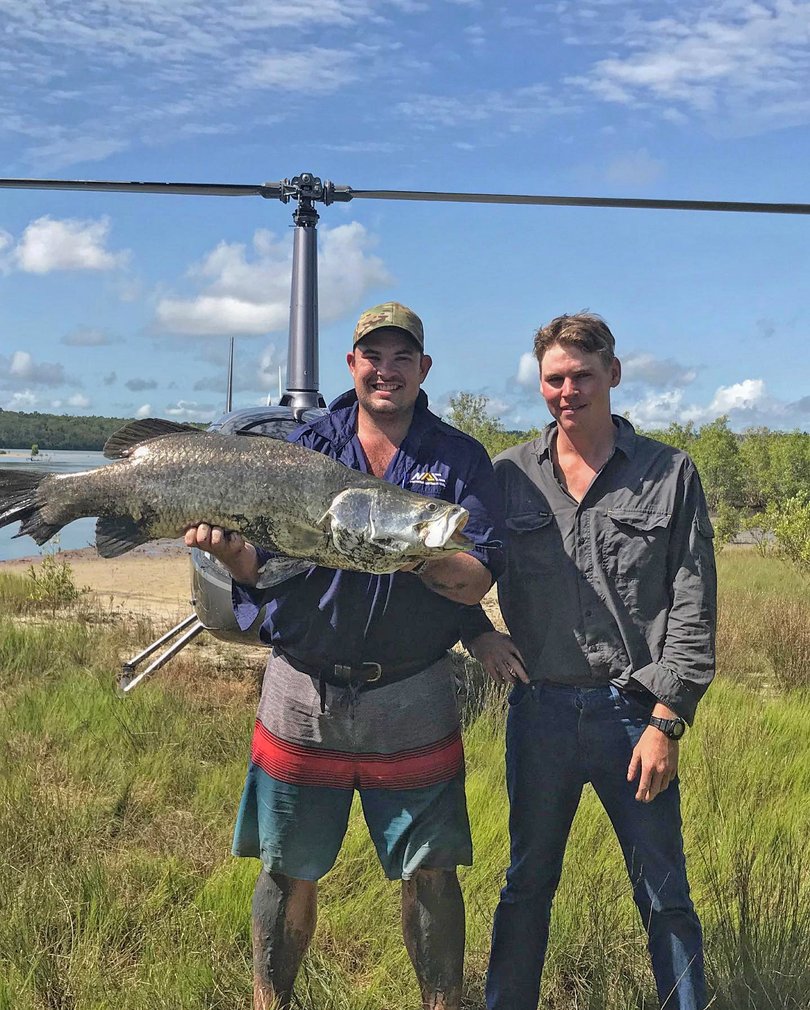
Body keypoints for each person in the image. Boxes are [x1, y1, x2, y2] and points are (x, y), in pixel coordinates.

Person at [185, 301, 505, 1010]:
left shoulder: (458, 460)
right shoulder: (305, 450)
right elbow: (256, 568)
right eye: (372, 356)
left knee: (432, 871)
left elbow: (477, 572)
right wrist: (227, 550)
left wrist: (399, 543)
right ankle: (273, 1002)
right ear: (352, 365)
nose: (385, 370)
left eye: (401, 358)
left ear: (423, 368)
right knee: (285, 868)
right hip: (301, 692)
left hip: (413, 694)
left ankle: (442, 1004)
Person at [467, 313, 716, 1010]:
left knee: (664, 891)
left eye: (581, 375)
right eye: (554, 378)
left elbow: (694, 602)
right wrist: (474, 632)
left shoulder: (669, 474)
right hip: (540, 714)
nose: (567, 391)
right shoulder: (507, 475)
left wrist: (668, 721)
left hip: (634, 716)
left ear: (613, 373)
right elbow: (454, 564)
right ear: (539, 383)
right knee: (525, 886)